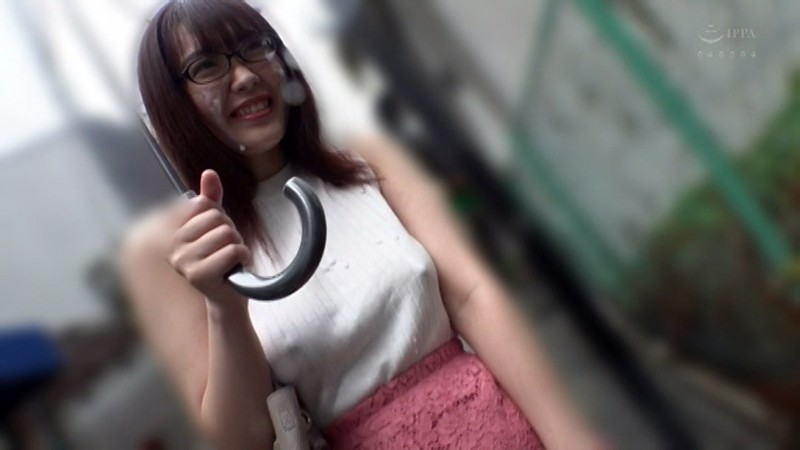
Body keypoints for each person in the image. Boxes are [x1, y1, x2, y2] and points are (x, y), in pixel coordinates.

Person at [120, 1, 607, 448]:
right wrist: (224, 309)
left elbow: (472, 295)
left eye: (254, 46)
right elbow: (243, 438)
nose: (246, 75)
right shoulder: (176, 251)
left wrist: (570, 436)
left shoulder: (366, 161)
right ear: (171, 102)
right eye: (206, 66)